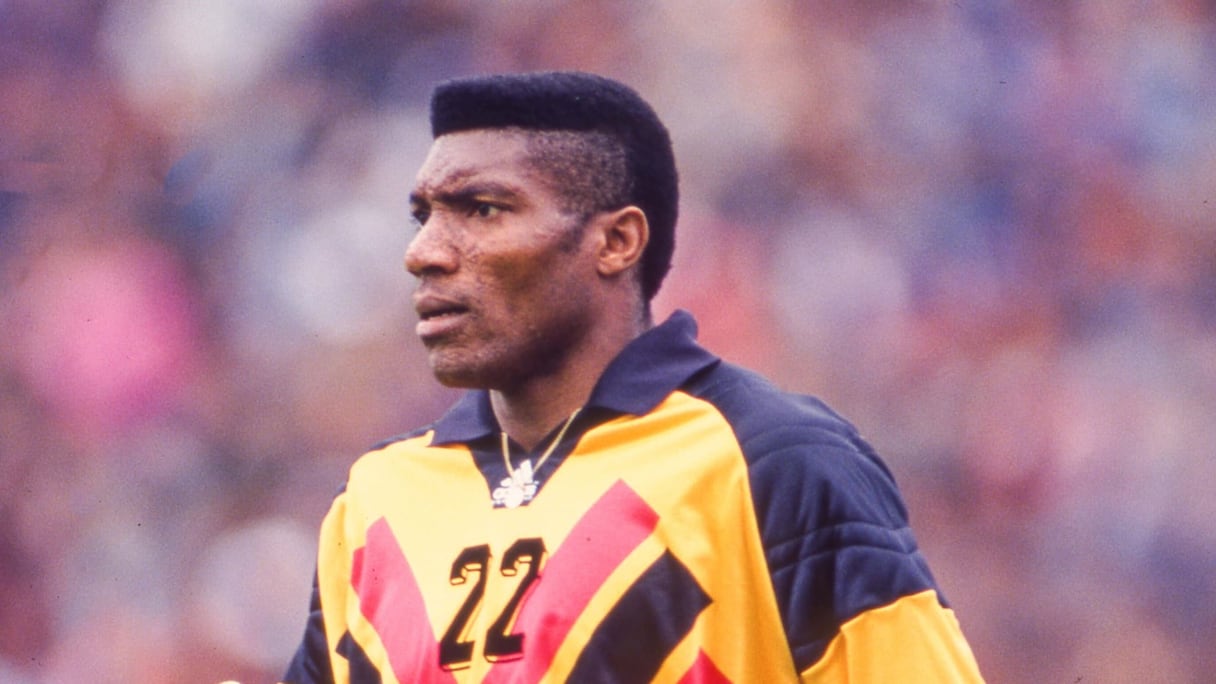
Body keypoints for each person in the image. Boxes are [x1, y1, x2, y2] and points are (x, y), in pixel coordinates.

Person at [282, 70, 984, 683]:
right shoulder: (376, 497)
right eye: (423, 216)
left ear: (617, 241)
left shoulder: (771, 460)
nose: (424, 251)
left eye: (483, 209)